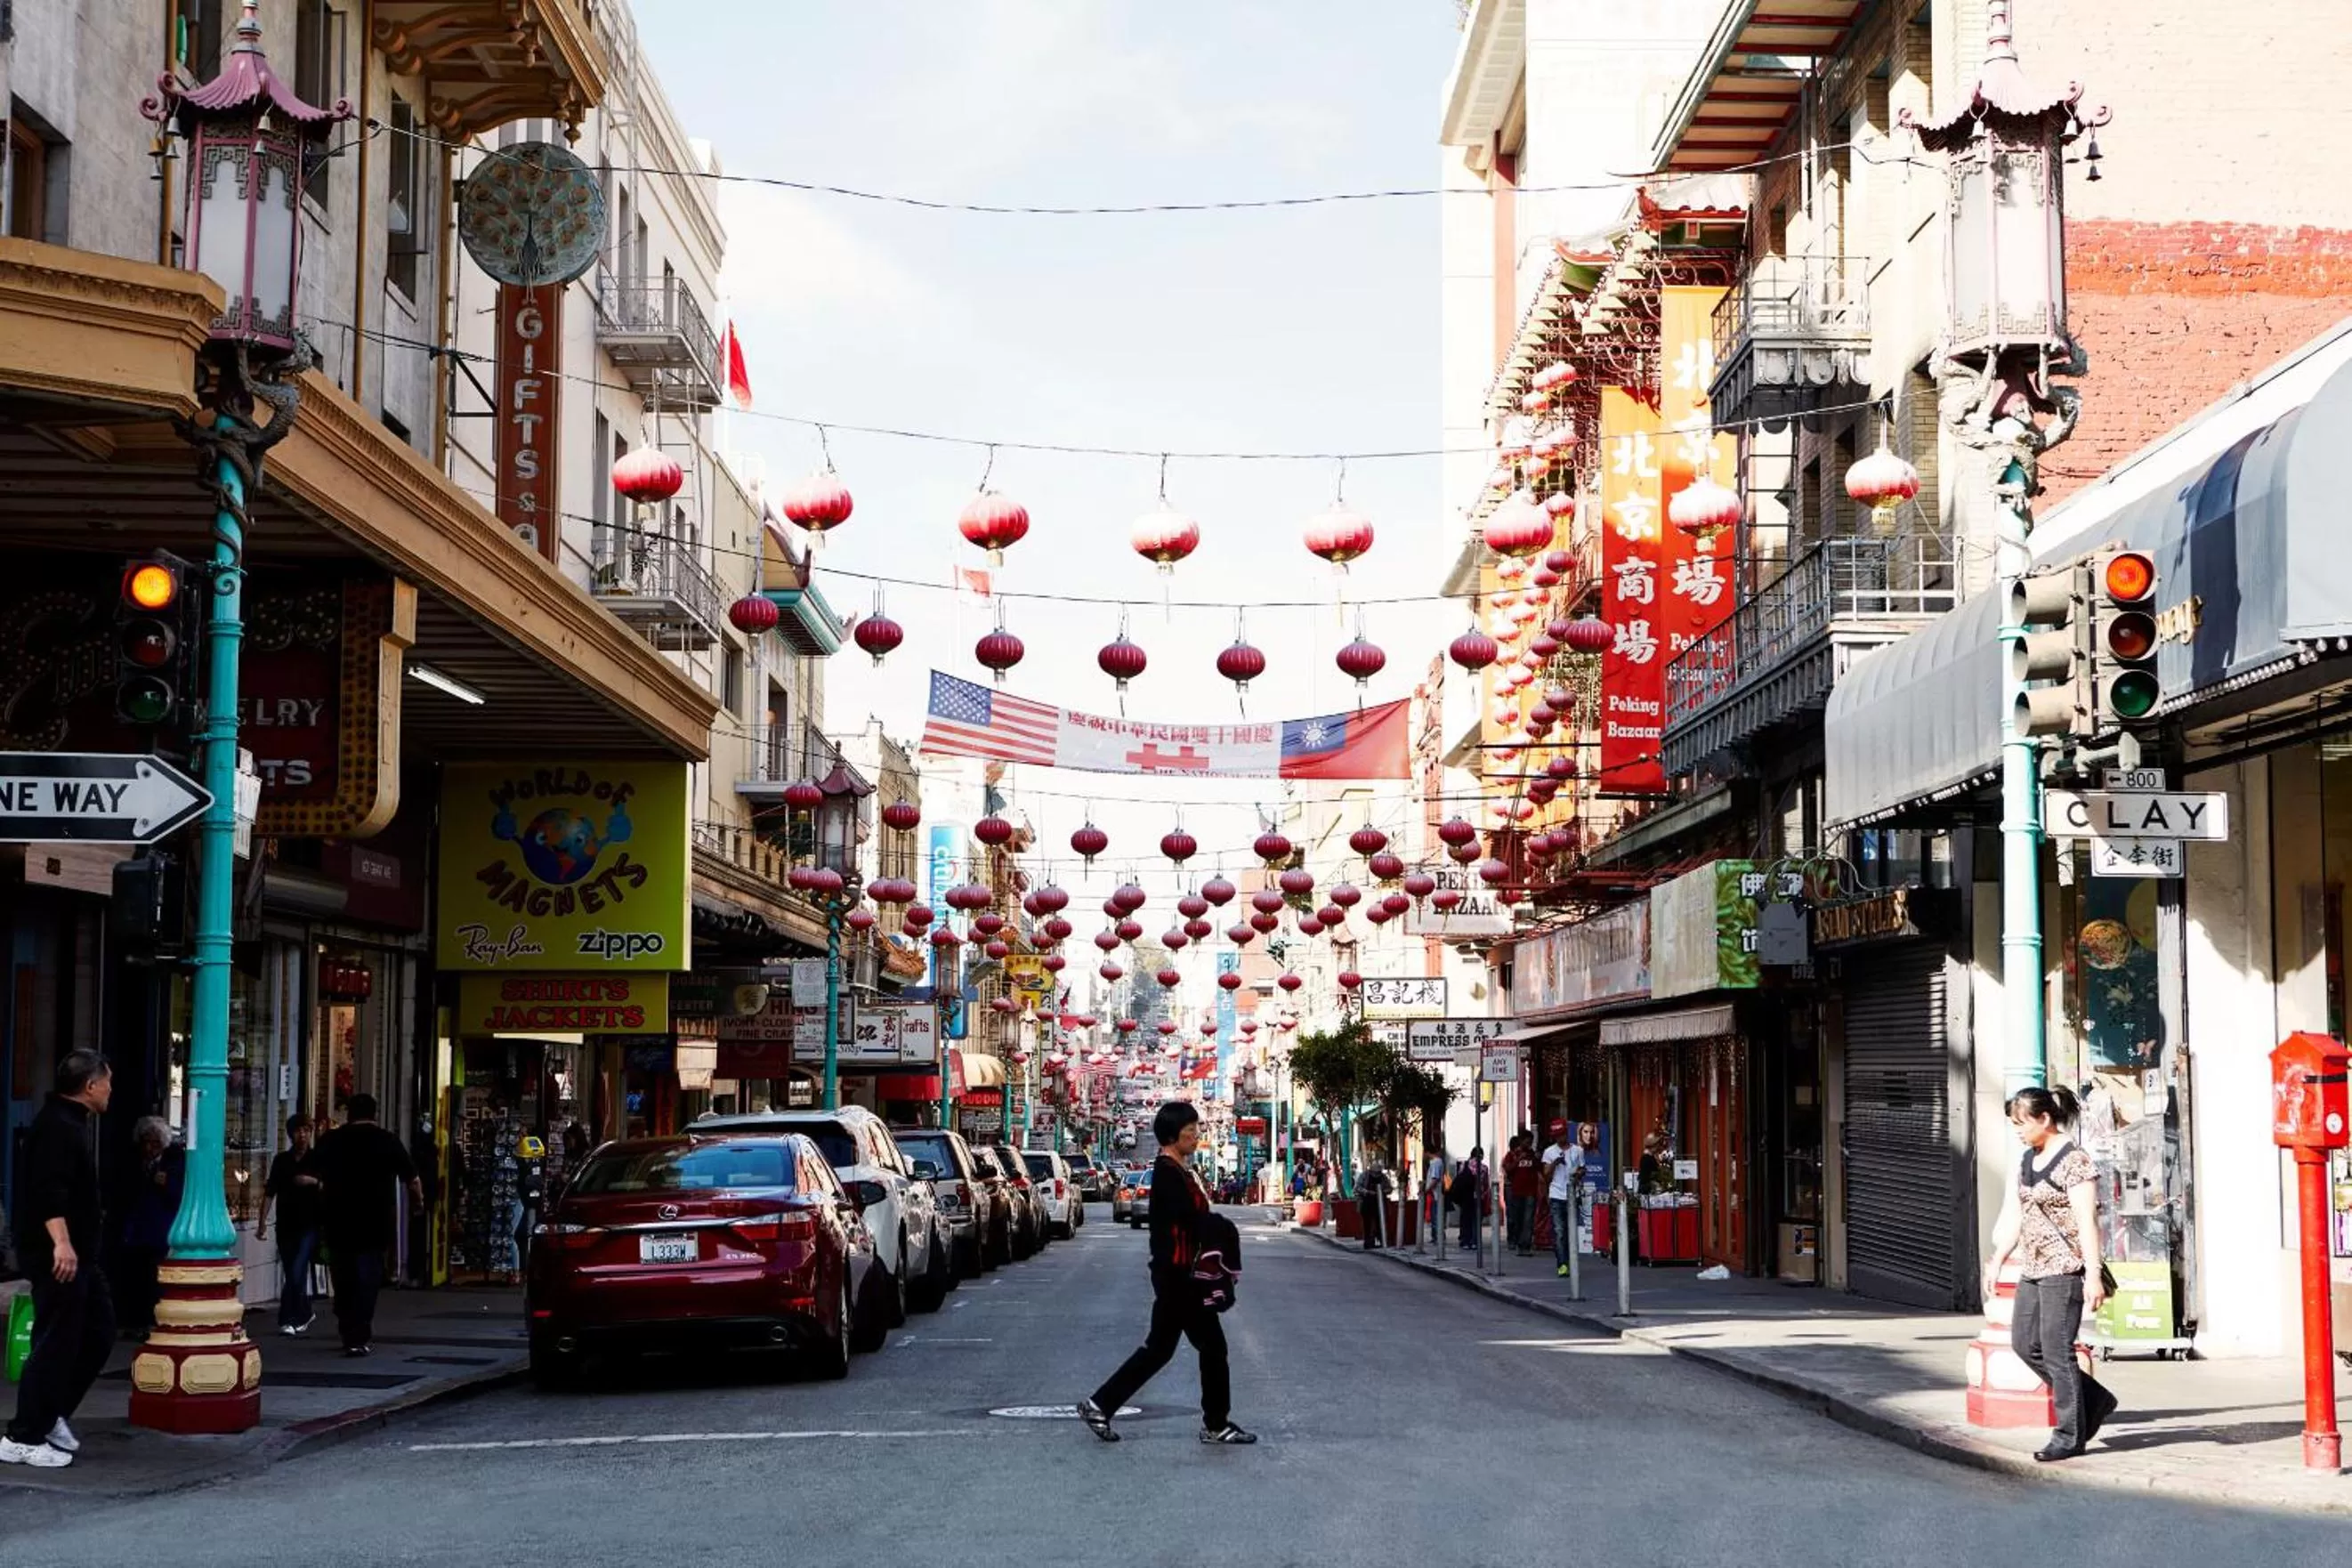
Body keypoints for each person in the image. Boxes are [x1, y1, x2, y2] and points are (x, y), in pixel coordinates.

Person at [1079, 1101, 1256, 1445]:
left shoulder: (1179, 1170)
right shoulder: (1167, 1173)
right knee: (1212, 1347)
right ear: (1174, 1135)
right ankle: (1216, 1424)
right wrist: (1222, 1227)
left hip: (1175, 1275)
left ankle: (1099, 1404)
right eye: (1191, 1132)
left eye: (1196, 1130)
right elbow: (1190, 1221)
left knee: (1160, 1349)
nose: (1196, 1136)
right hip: (1180, 1276)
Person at [1984, 1085, 2119, 1462]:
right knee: (2025, 1345)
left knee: (2058, 1353)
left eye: (2021, 1123)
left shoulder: (2075, 1161)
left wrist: (2092, 1274)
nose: (2017, 1131)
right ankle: (2094, 1400)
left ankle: (2069, 1435)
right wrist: (1998, 1260)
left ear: (2044, 1119)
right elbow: (2020, 1217)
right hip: (2034, 1266)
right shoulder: (2028, 1160)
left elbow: (2087, 1222)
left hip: (2065, 1268)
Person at [2, 1052, 118, 1469]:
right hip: (60, 1256)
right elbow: (47, 1192)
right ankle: (23, 1436)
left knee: (99, 1332)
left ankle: (50, 1416)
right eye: (107, 1082)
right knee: (55, 1342)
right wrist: (62, 1244)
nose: (110, 1090)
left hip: (81, 1256)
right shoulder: (56, 1129)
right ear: (90, 1086)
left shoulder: (70, 1124)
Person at [305, 1094, 423, 1358]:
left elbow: (312, 1174)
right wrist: (418, 1204)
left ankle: (348, 1326)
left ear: (349, 1113)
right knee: (368, 1278)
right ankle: (360, 1332)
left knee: (343, 1275)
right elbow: (412, 1179)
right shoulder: (387, 1141)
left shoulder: (331, 1140)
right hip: (375, 1219)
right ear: (374, 1113)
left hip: (338, 1218)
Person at [117, 1116, 185, 1337]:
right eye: (146, 1142)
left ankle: (151, 1321)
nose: (149, 1148)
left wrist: (167, 1184)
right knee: (135, 1276)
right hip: (137, 1228)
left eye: (155, 1143)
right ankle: (133, 1321)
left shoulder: (174, 1162)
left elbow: (180, 1195)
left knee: (154, 1277)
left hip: (160, 1228)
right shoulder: (134, 1162)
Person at [255, 1115, 321, 1336]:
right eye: (298, 1131)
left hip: (310, 1223)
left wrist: (313, 1182)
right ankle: (303, 1312)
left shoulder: (318, 1159)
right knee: (292, 1270)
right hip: (286, 1224)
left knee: (297, 1269)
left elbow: (331, 1187)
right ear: (291, 1134)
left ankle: (289, 1317)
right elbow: (270, 1191)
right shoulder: (282, 1161)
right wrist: (262, 1222)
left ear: (311, 1133)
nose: (302, 1135)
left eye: (306, 1130)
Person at [1540, 1119, 1585, 1279]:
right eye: (1557, 1136)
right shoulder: (1549, 1152)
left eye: (1562, 1135)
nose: (1560, 1138)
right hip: (1556, 1195)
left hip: (1573, 1195)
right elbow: (1546, 1174)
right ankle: (1562, 1264)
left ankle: (1571, 1259)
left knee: (1570, 1230)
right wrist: (1555, 1163)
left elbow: (1582, 1168)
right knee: (1559, 1231)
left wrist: (1579, 1174)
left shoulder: (1578, 1150)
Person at [1503, 1132, 1540, 1257]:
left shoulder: (1532, 1155)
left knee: (1528, 1219)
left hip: (1530, 1191)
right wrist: (1519, 1159)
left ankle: (1526, 1245)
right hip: (1517, 1191)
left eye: (1531, 1142)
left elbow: (1538, 1168)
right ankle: (1518, 1242)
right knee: (1517, 1218)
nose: (1529, 1144)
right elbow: (1507, 1169)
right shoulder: (1512, 1155)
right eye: (1527, 1141)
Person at [1454, 1145, 1489, 1251]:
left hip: (1466, 1196)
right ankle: (1475, 1241)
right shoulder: (1484, 1168)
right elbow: (1486, 1184)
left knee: (1465, 1218)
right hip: (1478, 1196)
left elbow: (1459, 1179)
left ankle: (1465, 1241)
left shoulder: (1464, 1165)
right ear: (1481, 1155)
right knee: (1476, 1219)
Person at [1356, 1152, 1391, 1250]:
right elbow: (1357, 1188)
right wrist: (1367, 1192)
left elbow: (1389, 1188)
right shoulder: (1364, 1176)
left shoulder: (1383, 1177)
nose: (1376, 1175)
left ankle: (1381, 1239)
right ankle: (1368, 1242)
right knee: (1367, 1223)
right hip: (1367, 1202)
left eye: (1378, 1173)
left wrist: (1383, 1192)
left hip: (1380, 1202)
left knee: (1380, 1222)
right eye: (1375, 1173)